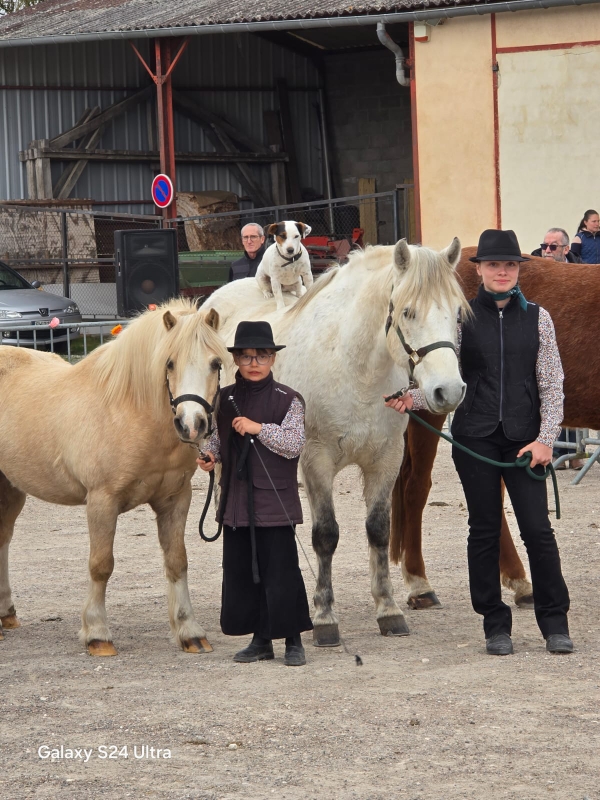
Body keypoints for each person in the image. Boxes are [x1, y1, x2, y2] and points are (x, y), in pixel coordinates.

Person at [385, 230, 573, 657]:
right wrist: (410, 399)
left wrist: (546, 441)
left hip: (525, 442)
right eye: (493, 265)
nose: (501, 271)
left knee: (538, 531)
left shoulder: (539, 318)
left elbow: (552, 385)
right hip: (476, 437)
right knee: (484, 531)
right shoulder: (461, 318)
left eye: (509, 265)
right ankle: (494, 624)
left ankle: (554, 621)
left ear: (518, 270)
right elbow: (452, 378)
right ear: (480, 271)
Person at [197, 320, 313, 666]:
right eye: (246, 356)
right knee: (245, 573)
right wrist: (209, 454)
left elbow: (294, 445)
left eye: (261, 356)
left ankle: (293, 642)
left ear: (273, 359)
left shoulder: (289, 399)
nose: (253, 363)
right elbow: (217, 437)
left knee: (281, 572)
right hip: (235, 499)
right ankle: (260, 640)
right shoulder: (225, 398)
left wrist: (258, 428)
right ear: (235, 360)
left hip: (275, 500)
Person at [531, 228, 583, 467]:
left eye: (553, 247)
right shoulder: (535, 274)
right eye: (545, 246)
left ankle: (573, 455)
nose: (547, 251)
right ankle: (556, 451)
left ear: (566, 249)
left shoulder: (577, 270)